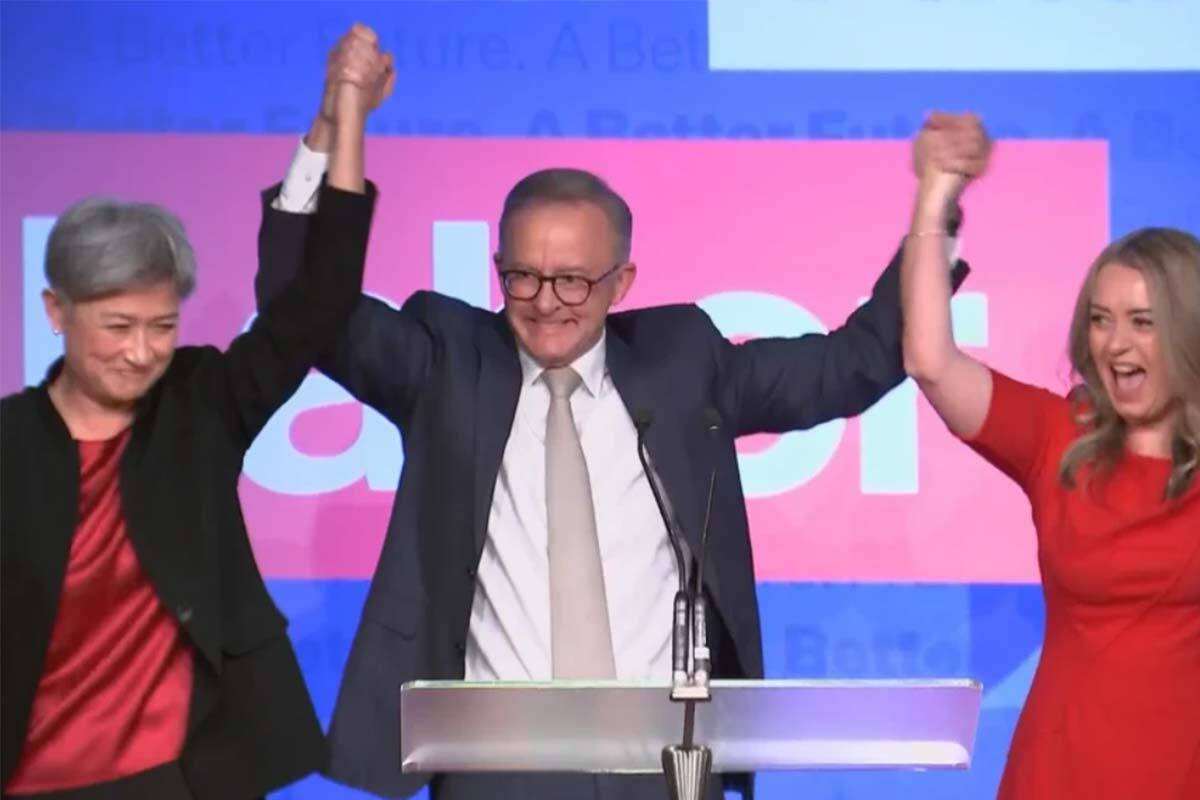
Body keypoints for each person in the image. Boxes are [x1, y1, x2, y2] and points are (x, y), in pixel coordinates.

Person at [256, 26, 986, 800]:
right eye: (523, 277)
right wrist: (338, 124)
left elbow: (851, 366)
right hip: (497, 767)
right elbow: (304, 308)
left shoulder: (682, 362)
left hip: (663, 765)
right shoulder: (445, 359)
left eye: (573, 280)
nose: (545, 303)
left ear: (622, 280)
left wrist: (934, 204)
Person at [0, 43, 390, 800]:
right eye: (117, 326)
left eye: (162, 325)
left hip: (186, 778)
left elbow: (318, 298)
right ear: (56, 311)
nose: (142, 352)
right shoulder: (8, 447)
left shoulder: (201, 403)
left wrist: (339, 117)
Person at [901, 113, 1200, 799]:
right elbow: (931, 360)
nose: (1114, 344)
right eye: (1100, 320)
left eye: (1142, 323)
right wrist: (935, 194)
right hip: (1060, 773)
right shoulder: (1058, 436)